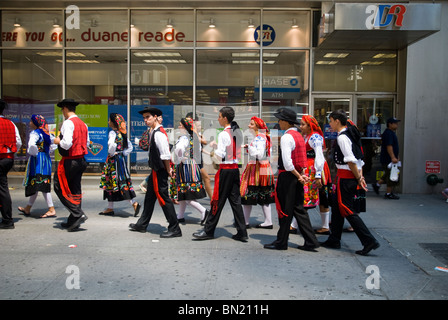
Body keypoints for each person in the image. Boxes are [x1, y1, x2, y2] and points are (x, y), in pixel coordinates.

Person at [321, 109, 380, 256]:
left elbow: (351, 160)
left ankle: (368, 240)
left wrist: (359, 178)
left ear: (337, 121)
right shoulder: (349, 134)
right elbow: (359, 160)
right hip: (347, 177)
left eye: (330, 121)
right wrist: (359, 177)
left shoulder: (342, 137)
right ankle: (334, 239)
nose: (329, 124)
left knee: (346, 209)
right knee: (337, 207)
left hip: (345, 178)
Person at [264, 108, 319, 251]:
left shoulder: (287, 137)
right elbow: (301, 158)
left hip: (288, 176)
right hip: (297, 175)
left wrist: (299, 176)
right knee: (299, 209)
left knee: (284, 210)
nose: (279, 123)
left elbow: (288, 164)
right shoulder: (299, 135)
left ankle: (282, 242)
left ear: (286, 122)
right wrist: (302, 174)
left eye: (280, 120)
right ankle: (311, 240)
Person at [192, 106, 248, 242]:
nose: (218, 119)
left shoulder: (223, 134)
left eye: (219, 116)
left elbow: (219, 155)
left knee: (217, 200)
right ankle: (242, 232)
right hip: (234, 169)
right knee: (235, 202)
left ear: (225, 118)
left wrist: (213, 147)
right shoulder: (236, 132)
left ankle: (209, 230)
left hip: (226, 170)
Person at [129, 107, 181, 238]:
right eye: (144, 118)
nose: (145, 120)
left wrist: (168, 169)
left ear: (156, 117)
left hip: (159, 171)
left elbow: (165, 155)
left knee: (164, 198)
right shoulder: (154, 131)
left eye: (148, 117)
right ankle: (142, 224)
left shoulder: (159, 134)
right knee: (149, 198)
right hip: (155, 170)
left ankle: (175, 228)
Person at [53, 99, 89, 232]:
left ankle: (78, 213)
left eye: (62, 109)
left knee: (59, 186)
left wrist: (57, 141)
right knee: (75, 189)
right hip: (81, 160)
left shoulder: (68, 123)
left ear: (65, 109)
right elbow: (87, 143)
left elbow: (66, 144)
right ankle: (74, 219)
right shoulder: (83, 124)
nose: (62, 112)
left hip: (70, 160)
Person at [293, 115, 332, 235]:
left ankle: (324, 226)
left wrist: (318, 175)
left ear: (310, 126)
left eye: (303, 124)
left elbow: (319, 156)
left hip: (315, 170)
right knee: (308, 196)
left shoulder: (315, 137)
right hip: (309, 169)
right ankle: (294, 225)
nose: (300, 127)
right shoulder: (306, 136)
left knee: (316, 196)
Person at [99, 113, 140, 217]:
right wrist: (122, 153)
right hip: (120, 160)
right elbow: (129, 147)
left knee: (116, 182)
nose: (108, 122)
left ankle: (134, 203)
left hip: (114, 161)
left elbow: (111, 145)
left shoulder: (113, 133)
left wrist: (112, 153)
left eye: (109, 120)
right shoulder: (122, 133)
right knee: (117, 183)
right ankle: (110, 207)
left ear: (113, 122)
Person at [18, 114, 57, 218]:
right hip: (46, 159)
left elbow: (31, 145)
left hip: (38, 160)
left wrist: (35, 153)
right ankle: (28, 208)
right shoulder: (47, 133)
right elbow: (55, 144)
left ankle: (51, 208)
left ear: (35, 123)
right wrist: (47, 151)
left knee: (40, 183)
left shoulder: (35, 133)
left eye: (31, 121)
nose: (30, 123)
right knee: (38, 183)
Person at [240, 116, 274, 229]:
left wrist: (249, 147)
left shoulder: (259, 138)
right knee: (264, 193)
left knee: (248, 193)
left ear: (257, 127)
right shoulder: (263, 137)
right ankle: (268, 221)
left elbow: (259, 155)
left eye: (252, 124)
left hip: (257, 168)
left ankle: (245, 222)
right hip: (264, 167)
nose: (249, 126)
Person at [173, 117, 209, 223]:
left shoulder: (184, 138)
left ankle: (204, 211)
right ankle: (180, 216)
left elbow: (179, 149)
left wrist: (179, 158)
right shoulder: (194, 137)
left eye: (180, 125)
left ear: (184, 126)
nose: (179, 126)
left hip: (185, 167)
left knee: (188, 194)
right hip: (192, 165)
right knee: (184, 192)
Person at [0, 99, 22, 229]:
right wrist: (11, 151)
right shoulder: (11, 123)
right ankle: (7, 218)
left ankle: (8, 220)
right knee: (3, 187)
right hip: (8, 159)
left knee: (2, 188)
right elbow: (18, 142)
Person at [372, 117, 401, 199]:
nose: (397, 125)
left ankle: (377, 185)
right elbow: (389, 146)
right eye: (395, 123)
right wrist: (393, 157)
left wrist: (396, 156)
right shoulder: (388, 133)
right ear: (390, 124)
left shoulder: (391, 133)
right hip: (388, 159)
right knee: (390, 175)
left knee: (389, 173)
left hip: (390, 158)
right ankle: (388, 193)